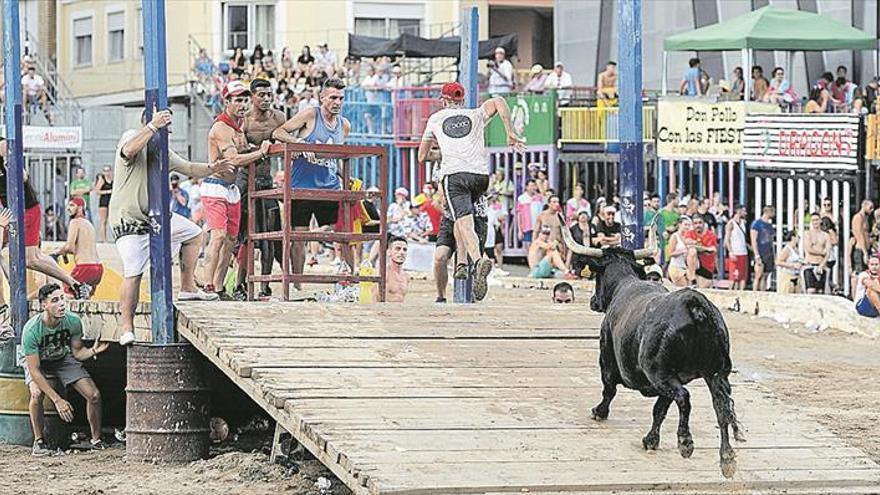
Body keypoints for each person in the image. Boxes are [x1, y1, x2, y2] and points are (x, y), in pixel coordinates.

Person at [111, 108, 235, 345]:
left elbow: (188, 168)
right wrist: (152, 126)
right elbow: (129, 151)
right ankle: (126, 325)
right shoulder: (131, 136)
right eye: (167, 126)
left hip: (157, 218)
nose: (171, 131)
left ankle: (187, 288)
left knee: (194, 234)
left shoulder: (163, 151)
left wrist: (214, 168)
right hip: (129, 220)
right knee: (133, 272)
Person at [417, 81, 524, 301]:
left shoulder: (436, 119)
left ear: (444, 100)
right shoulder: (475, 114)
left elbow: (421, 156)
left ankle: (476, 260)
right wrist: (510, 132)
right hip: (480, 177)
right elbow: (499, 101)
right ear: (462, 100)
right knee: (465, 220)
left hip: (455, 175)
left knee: (463, 222)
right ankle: (466, 263)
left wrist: (441, 154)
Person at [272, 78, 351, 289]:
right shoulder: (310, 114)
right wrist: (299, 142)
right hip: (302, 186)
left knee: (342, 233)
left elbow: (337, 157)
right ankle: (296, 283)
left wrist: (347, 178)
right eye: (333, 97)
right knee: (298, 236)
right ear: (322, 97)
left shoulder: (344, 125)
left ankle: (346, 281)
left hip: (329, 186)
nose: (337, 102)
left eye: (341, 98)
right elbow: (278, 132)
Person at [20, 283, 110, 456]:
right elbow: (35, 370)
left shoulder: (73, 321)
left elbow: (77, 353)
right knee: (37, 394)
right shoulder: (32, 330)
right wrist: (57, 400)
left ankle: (96, 440)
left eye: (62, 298)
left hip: (61, 358)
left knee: (94, 395)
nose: (61, 304)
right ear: (43, 305)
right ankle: (39, 442)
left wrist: (92, 351)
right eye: (54, 300)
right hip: (38, 362)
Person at [203, 81, 271, 298]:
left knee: (232, 240)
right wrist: (260, 152)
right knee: (219, 237)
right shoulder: (221, 127)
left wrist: (252, 149)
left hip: (231, 188)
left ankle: (219, 286)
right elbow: (233, 160)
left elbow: (241, 149)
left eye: (245, 100)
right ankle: (207, 286)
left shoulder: (238, 123)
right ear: (226, 102)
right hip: (215, 187)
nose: (243, 105)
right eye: (238, 100)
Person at [0, 138, 91, 299]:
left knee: (31, 259)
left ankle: (72, 284)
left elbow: (21, 173)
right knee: (34, 257)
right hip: (17, 210)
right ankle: (73, 283)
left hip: (24, 209)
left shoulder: (5, 151)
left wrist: (8, 160)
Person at [237, 78, 287, 299]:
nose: (266, 99)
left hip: (266, 180)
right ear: (252, 97)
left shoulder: (279, 118)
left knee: (268, 235)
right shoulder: (244, 120)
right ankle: (239, 283)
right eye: (261, 95)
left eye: (269, 94)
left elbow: (291, 141)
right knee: (241, 236)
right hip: (245, 180)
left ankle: (265, 285)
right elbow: (237, 149)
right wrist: (257, 148)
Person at [432, 192, 488, 303]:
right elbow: (437, 201)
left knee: (473, 262)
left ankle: (474, 295)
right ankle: (441, 296)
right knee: (440, 257)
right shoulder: (445, 177)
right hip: (450, 219)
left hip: (476, 218)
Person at [51, 197, 104, 292]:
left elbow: (70, 247)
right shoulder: (89, 224)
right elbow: (81, 248)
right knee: (84, 299)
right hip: (98, 268)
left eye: (72, 205)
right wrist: (64, 251)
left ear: (80, 208)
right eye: (68, 205)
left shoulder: (75, 222)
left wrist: (57, 252)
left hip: (84, 267)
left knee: (67, 293)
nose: (68, 208)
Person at [684, 215, 717, 288]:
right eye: (695, 223)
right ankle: (692, 278)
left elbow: (713, 249)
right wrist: (705, 248)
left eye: (700, 223)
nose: (698, 225)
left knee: (702, 289)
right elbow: (687, 243)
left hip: (707, 266)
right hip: (693, 264)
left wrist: (699, 247)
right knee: (692, 251)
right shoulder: (690, 233)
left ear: (703, 224)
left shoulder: (710, 234)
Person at [750, 206, 776, 291]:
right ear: (768, 212)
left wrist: (773, 254)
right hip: (760, 252)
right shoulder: (757, 224)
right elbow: (753, 240)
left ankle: (763, 293)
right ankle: (754, 294)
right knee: (758, 275)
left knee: (765, 275)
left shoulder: (769, 225)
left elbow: (771, 241)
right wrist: (757, 255)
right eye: (773, 212)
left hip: (768, 253)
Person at [803, 212, 830, 294]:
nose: (815, 222)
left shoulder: (825, 235)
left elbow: (828, 252)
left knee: (821, 291)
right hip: (810, 265)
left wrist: (822, 265)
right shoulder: (808, 234)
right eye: (813, 220)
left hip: (821, 266)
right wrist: (822, 252)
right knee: (811, 291)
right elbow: (809, 249)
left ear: (820, 220)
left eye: (817, 220)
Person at [724, 204, 749, 290]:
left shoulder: (743, 223)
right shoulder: (731, 223)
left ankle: (741, 293)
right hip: (735, 252)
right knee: (733, 276)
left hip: (743, 252)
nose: (745, 213)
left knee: (742, 276)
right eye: (744, 211)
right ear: (738, 211)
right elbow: (727, 240)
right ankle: (730, 293)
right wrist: (730, 252)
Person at [380, 236, 409, 303]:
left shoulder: (406, 276)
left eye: (405, 250)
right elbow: (375, 299)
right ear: (389, 252)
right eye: (398, 249)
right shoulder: (383, 274)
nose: (402, 252)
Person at [667, 216, 693, 287]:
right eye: (685, 225)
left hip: (684, 267)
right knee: (684, 289)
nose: (687, 227)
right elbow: (670, 253)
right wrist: (682, 251)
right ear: (680, 225)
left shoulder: (687, 237)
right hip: (675, 267)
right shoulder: (674, 236)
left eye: (689, 225)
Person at [851, 200, 875, 278]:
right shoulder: (858, 217)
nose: (872, 210)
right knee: (861, 274)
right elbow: (859, 235)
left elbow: (866, 234)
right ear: (864, 206)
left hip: (867, 248)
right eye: (870, 207)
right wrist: (865, 252)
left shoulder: (866, 218)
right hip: (860, 249)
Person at [567, 210, 592, 278]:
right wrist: (567, 266)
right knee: (579, 273)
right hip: (578, 256)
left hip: (591, 255)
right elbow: (570, 247)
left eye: (585, 214)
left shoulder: (592, 227)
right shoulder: (573, 229)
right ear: (578, 217)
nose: (583, 215)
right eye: (581, 214)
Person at [94, 166, 113, 242]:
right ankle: (103, 239)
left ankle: (109, 237)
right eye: (105, 171)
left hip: (111, 202)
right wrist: (108, 191)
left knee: (110, 221)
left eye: (108, 170)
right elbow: (97, 191)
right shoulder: (102, 180)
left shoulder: (112, 180)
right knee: (103, 221)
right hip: (104, 202)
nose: (107, 172)